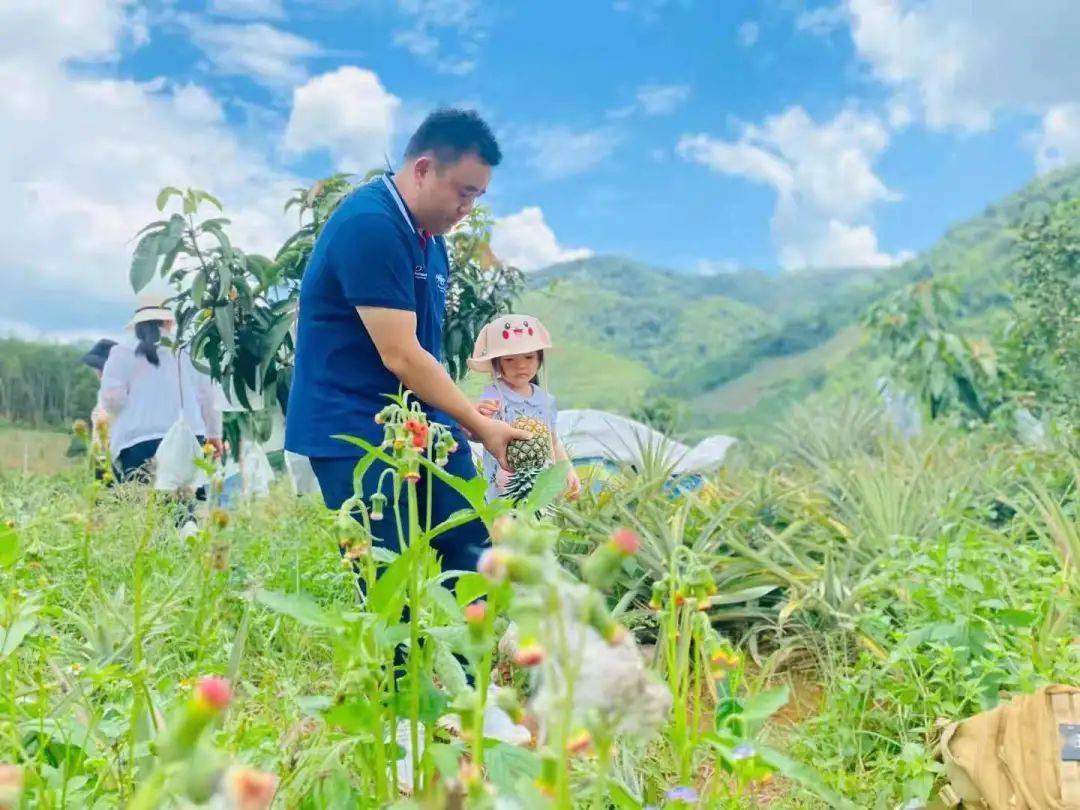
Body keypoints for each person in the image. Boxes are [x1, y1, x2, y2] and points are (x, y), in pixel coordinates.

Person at [285, 108, 529, 574]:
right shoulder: (369, 225)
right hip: (353, 430)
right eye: (464, 192)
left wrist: (456, 414)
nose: (467, 209)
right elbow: (401, 355)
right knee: (385, 572)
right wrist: (479, 426)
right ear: (422, 169)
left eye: (477, 196)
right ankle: (398, 650)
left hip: (424, 423)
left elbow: (425, 350)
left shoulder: (431, 241)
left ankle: (468, 648)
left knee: (472, 552)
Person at [98, 294, 223, 483]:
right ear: (167, 321)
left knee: (143, 506)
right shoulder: (188, 350)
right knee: (182, 505)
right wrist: (214, 435)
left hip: (138, 441)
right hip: (187, 439)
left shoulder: (122, 352)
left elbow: (113, 402)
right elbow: (208, 397)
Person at [469, 314, 581, 501]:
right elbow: (478, 430)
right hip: (503, 488)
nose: (521, 365)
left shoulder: (546, 400)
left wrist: (568, 471)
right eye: (510, 359)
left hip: (540, 486)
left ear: (539, 359)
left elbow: (553, 442)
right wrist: (478, 414)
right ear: (497, 363)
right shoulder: (493, 395)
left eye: (529, 357)